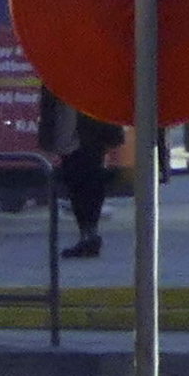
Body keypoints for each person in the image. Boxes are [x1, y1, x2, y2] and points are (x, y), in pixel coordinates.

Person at [39, 91, 124, 261]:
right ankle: (87, 234)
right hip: (73, 132)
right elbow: (48, 105)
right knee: (78, 184)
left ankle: (89, 233)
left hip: (89, 131)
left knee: (89, 183)